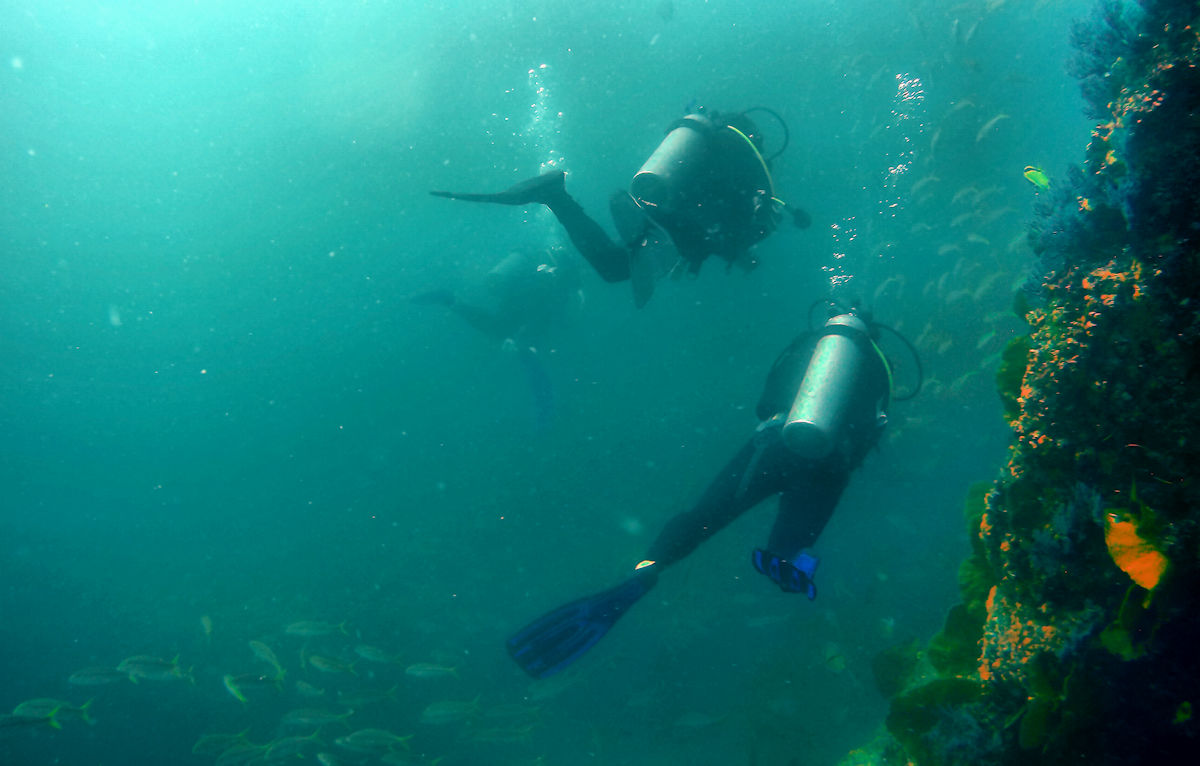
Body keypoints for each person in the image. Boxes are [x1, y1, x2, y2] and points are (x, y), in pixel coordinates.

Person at [506, 306, 898, 679]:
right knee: (793, 544)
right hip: (829, 466)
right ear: (873, 334)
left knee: (705, 517)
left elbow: (766, 401)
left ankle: (648, 568)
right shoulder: (880, 366)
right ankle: (789, 557)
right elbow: (872, 432)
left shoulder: (808, 344)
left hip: (774, 444)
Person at [431, 106, 812, 307]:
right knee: (614, 269)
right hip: (682, 227)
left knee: (615, 265)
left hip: (665, 211)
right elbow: (742, 228)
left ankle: (557, 196)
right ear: (758, 141)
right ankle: (556, 196)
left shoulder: (721, 156)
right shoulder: (752, 173)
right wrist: (742, 250)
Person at [411, 247, 583, 429]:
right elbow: (540, 310)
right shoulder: (558, 282)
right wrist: (521, 337)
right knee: (524, 350)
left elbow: (538, 308)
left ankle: (451, 301)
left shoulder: (543, 269)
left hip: (514, 297)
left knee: (498, 328)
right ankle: (545, 414)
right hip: (525, 309)